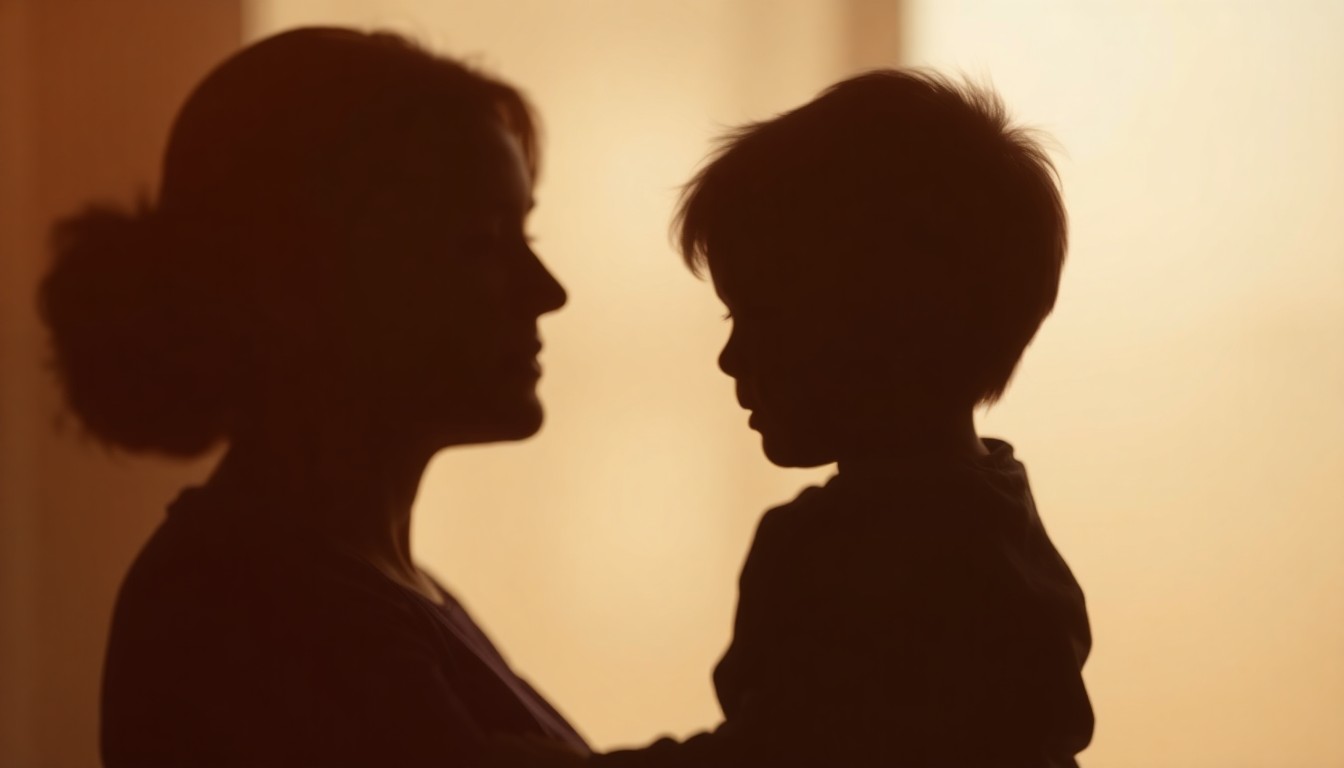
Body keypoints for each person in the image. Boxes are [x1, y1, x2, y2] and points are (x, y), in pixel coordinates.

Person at [505, 69, 1094, 767]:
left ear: (891, 325)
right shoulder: (1005, 533)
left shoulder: (865, 554)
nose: (731, 358)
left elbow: (786, 751)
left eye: (763, 317)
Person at [40, 27, 585, 767]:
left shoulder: (376, 588)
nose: (547, 291)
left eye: (526, 232)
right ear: (302, 282)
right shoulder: (248, 612)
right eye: (480, 243)